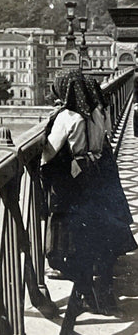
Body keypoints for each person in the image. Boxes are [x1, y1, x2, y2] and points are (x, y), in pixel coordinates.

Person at [41, 69, 136, 335]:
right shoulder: (97, 112)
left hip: (77, 183)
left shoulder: (67, 117)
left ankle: (83, 290)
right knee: (100, 239)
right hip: (99, 178)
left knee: (74, 241)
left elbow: (49, 153)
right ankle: (103, 293)